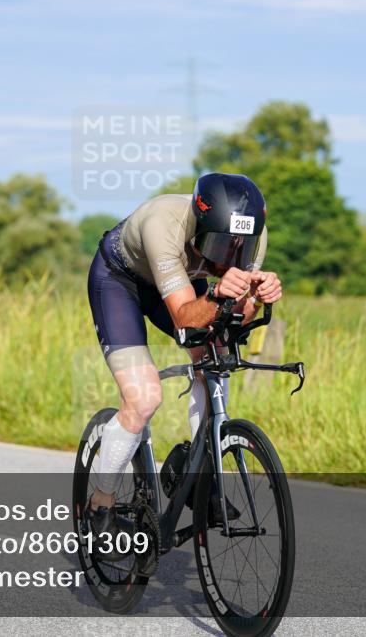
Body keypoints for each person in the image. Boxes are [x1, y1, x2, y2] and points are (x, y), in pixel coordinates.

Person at [86, 172, 283, 540]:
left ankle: (197, 476)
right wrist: (217, 295)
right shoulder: (165, 223)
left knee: (215, 358)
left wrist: (256, 296)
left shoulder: (254, 236)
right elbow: (184, 318)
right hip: (120, 283)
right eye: (220, 245)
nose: (229, 256)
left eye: (237, 248)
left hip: (183, 282)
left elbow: (238, 316)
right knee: (144, 398)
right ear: (198, 225)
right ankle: (101, 503)